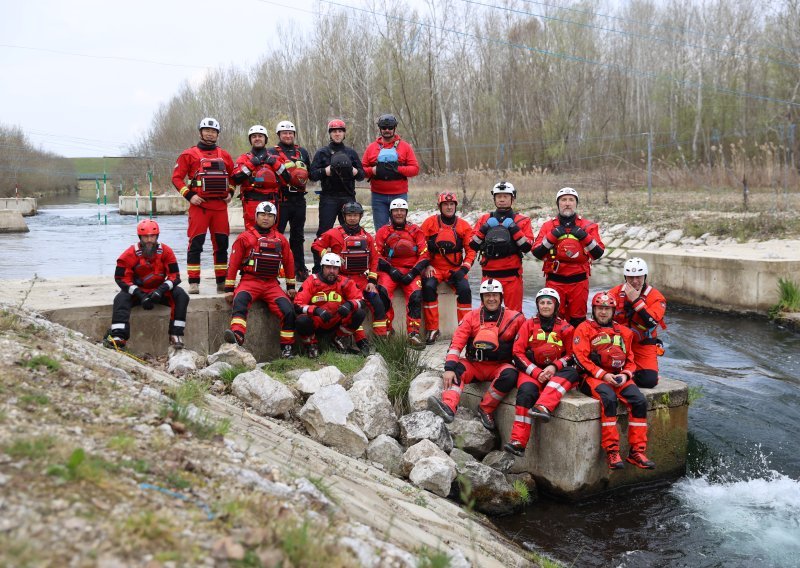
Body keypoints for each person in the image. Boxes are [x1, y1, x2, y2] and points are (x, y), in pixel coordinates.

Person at [427, 279, 525, 430]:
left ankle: (486, 409)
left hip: (499, 366)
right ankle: (448, 407)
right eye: (487, 295)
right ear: (482, 298)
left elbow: (525, 343)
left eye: (494, 295)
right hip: (474, 365)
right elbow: (457, 343)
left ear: (501, 297)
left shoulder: (516, 318)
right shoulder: (471, 317)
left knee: (510, 375)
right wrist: (449, 367)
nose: (491, 298)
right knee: (456, 370)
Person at [573, 292, 655, 470]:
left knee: (639, 401)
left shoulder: (624, 332)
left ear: (613, 311)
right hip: (592, 377)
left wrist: (625, 375)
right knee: (608, 398)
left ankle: (637, 452)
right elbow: (580, 358)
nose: (603, 312)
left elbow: (631, 360)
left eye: (607, 309)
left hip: (618, 376)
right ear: (593, 310)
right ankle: (612, 451)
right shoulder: (584, 329)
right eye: (599, 308)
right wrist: (603, 374)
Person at [504, 288, 577, 456]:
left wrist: (555, 366)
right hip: (532, 371)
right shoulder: (528, 325)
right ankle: (518, 442)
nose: (545, 306)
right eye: (542, 302)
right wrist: (536, 372)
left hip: (556, 373)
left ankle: (543, 406)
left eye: (549, 303)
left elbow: (573, 354)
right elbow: (517, 353)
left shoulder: (566, 328)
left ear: (556, 305)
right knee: (525, 392)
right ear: (537, 305)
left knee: (572, 374)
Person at [223, 201, 296, 359]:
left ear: (275, 218)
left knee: (288, 310)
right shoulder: (245, 238)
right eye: (262, 215)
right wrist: (229, 289)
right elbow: (233, 263)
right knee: (240, 301)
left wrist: (291, 286)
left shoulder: (281, 240)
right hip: (250, 281)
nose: (266, 218)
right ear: (256, 216)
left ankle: (287, 348)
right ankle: (237, 335)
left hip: (271, 284)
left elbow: (289, 262)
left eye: (270, 215)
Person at [172, 117, 235, 294]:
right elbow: (176, 178)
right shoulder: (188, 155)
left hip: (220, 208)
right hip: (199, 207)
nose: (210, 133)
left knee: (221, 245)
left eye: (213, 131)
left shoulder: (225, 155)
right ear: (200, 132)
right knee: (196, 244)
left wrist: (230, 193)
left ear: (217, 134)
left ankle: (221, 282)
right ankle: (193, 282)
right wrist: (190, 195)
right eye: (206, 130)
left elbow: (233, 178)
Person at [104, 219, 189, 351]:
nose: (149, 240)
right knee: (121, 298)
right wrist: (140, 294)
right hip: (137, 293)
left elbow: (175, 276)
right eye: (145, 237)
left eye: (152, 236)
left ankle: (175, 334)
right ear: (140, 237)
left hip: (159, 292)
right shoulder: (129, 254)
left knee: (182, 295)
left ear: (157, 236)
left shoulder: (166, 251)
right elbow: (121, 279)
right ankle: (119, 337)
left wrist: (160, 291)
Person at [311, 201, 388, 342]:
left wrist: (372, 281)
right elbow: (315, 245)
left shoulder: (367, 237)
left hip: (361, 279)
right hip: (341, 280)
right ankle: (358, 340)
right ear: (344, 216)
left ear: (360, 216)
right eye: (349, 215)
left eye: (355, 215)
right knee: (351, 308)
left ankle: (381, 338)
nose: (352, 218)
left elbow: (375, 259)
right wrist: (330, 257)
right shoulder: (333, 234)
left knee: (378, 303)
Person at [532, 187, 605, 327]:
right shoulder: (548, 226)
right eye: (563, 200)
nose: (567, 203)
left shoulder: (588, 226)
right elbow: (537, 252)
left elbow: (598, 253)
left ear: (576, 204)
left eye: (571, 200)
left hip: (579, 282)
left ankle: (577, 347)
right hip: (554, 280)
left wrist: (584, 236)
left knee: (578, 319)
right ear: (558, 204)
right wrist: (553, 236)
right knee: (553, 318)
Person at [308, 119, 365, 273]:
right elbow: (312, 175)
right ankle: (318, 268)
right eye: (334, 131)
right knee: (324, 232)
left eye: (340, 131)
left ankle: (351, 264)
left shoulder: (351, 153)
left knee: (351, 231)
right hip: (329, 198)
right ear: (330, 134)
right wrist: (325, 171)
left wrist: (353, 170)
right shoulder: (322, 152)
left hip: (348, 197)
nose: (337, 133)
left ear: (344, 133)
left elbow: (362, 175)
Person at [419, 191, 475, 344]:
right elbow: (421, 247)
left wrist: (464, 269)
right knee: (428, 287)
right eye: (446, 204)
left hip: (456, 269)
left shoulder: (464, 226)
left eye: (452, 204)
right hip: (434, 268)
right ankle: (432, 329)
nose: (449, 207)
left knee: (465, 290)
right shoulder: (429, 223)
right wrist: (427, 265)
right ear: (440, 206)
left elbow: (471, 251)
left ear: (455, 206)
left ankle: (465, 329)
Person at [469, 182, 534, 312]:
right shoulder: (484, 219)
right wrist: (485, 228)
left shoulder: (522, 221)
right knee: (487, 314)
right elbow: (473, 244)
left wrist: (514, 229)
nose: (502, 199)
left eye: (506, 196)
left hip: (512, 277)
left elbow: (527, 247)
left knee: (514, 314)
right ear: (494, 199)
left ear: (512, 199)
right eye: (499, 196)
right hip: (489, 276)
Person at [375, 198, 429, 347]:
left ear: (406, 212)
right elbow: (377, 255)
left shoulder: (416, 231)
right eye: (396, 211)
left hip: (411, 269)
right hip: (390, 270)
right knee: (383, 292)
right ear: (391, 212)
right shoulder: (383, 231)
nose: (399, 213)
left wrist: (413, 272)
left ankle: (414, 333)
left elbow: (424, 255)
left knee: (416, 295)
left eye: (402, 211)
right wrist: (390, 270)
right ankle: (386, 330)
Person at [294, 253, 368, 358]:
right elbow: (297, 305)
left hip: (337, 321)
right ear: (322, 267)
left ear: (339, 269)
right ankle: (311, 345)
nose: (332, 271)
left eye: (335, 268)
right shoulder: (311, 281)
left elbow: (361, 300)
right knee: (302, 321)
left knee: (359, 313)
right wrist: (316, 310)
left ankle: (339, 339)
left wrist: (349, 304)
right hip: (317, 322)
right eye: (328, 267)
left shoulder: (344, 282)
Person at [609, 257, 667, 389]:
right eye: (631, 277)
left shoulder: (656, 297)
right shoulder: (614, 293)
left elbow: (652, 323)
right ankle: (627, 373)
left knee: (649, 381)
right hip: (618, 342)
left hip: (643, 344)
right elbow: (601, 318)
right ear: (625, 277)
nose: (635, 281)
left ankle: (630, 374)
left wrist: (636, 301)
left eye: (638, 277)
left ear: (645, 276)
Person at [269, 120, 312, 281]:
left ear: (294, 135)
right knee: (276, 235)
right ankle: (273, 268)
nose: (288, 135)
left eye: (290, 133)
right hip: (281, 199)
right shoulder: (271, 152)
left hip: (299, 199)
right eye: (284, 133)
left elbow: (310, 172)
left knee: (298, 236)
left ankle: (299, 269)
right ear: (279, 135)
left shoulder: (302, 152)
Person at [362, 114, 419, 230]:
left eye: (390, 127)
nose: (387, 130)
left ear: (395, 128)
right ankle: (382, 248)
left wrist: (397, 169)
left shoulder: (405, 147)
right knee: (381, 230)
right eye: (384, 127)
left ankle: (399, 247)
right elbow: (361, 171)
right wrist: (373, 170)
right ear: (380, 129)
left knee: (400, 229)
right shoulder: (371, 148)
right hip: (378, 196)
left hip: (399, 195)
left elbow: (415, 169)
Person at [231, 124, 293, 231]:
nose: (257, 138)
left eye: (260, 136)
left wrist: (274, 163)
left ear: (266, 139)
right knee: (252, 235)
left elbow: (287, 179)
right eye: (254, 136)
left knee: (272, 235)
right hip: (251, 203)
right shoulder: (244, 158)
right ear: (250, 140)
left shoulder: (275, 158)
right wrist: (252, 164)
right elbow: (236, 178)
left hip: (272, 202)